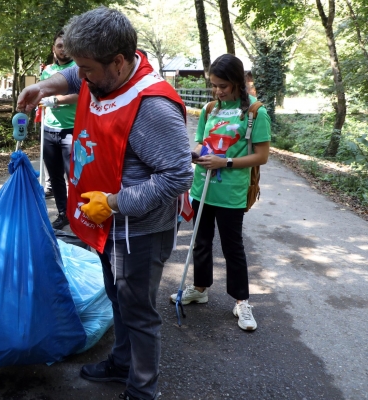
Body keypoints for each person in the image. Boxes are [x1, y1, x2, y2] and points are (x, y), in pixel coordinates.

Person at [17, 8, 193, 400]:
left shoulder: (153, 107)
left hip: (139, 230)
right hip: (107, 223)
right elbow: (75, 75)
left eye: (88, 69)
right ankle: (121, 362)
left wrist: (114, 203)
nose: (82, 76)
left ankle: (142, 389)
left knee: (139, 311)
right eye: (78, 68)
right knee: (117, 297)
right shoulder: (103, 72)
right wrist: (44, 86)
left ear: (118, 60)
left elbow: (178, 177)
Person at [170, 54, 270, 331]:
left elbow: (261, 156)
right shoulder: (209, 109)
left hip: (232, 192)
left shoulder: (254, 113)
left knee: (232, 247)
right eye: (214, 85)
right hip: (202, 188)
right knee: (201, 242)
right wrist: (198, 154)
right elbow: (202, 141)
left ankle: (241, 301)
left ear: (238, 83)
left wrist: (224, 162)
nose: (217, 91)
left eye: (223, 86)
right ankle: (200, 289)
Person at [38, 30, 78, 230]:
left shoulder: (78, 68)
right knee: (55, 177)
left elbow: (81, 94)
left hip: (71, 130)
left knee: (74, 176)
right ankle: (63, 214)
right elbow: (40, 94)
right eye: (59, 46)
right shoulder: (47, 72)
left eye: (66, 46)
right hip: (49, 130)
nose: (63, 50)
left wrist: (56, 99)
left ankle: (80, 214)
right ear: (53, 49)